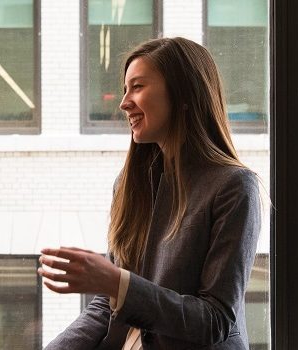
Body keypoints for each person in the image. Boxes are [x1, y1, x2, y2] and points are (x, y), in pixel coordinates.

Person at [40, 37, 262, 349]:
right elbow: (107, 307)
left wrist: (116, 283)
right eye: (126, 88)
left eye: (138, 86)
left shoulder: (234, 187)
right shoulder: (131, 185)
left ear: (183, 93)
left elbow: (214, 320)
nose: (124, 102)